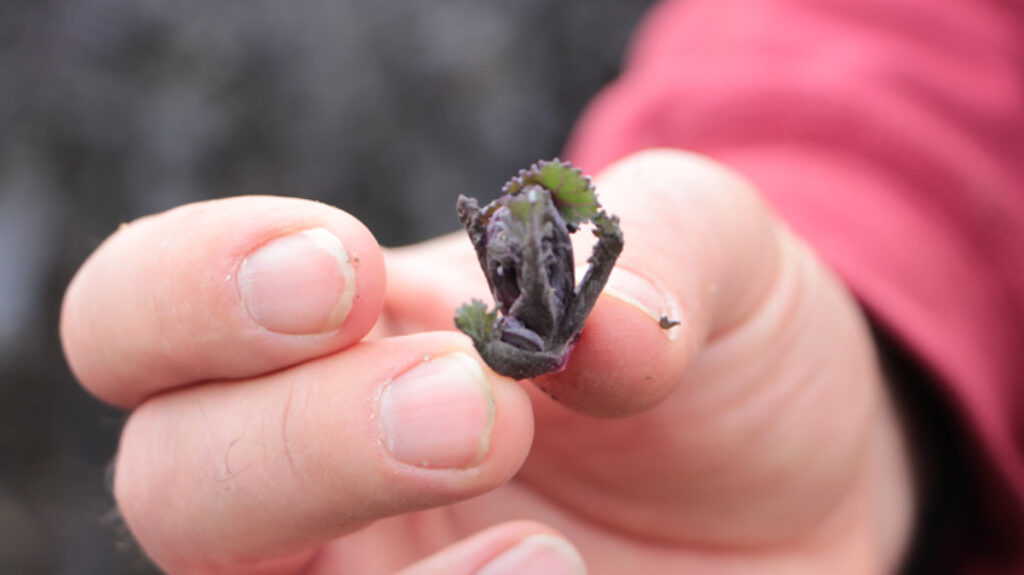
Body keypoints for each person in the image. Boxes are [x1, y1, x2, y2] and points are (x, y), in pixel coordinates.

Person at [59, 0, 1024, 573]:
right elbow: (886, 45)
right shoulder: (533, 251)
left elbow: (586, 252)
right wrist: (880, 333)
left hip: (557, 335)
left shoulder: (555, 250)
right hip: (572, 362)